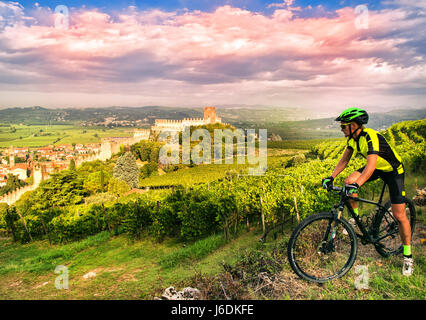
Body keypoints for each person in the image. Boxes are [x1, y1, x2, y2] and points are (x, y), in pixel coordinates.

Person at [321, 107, 413, 276]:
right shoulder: (352, 139)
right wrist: (331, 177)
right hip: (378, 168)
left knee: (399, 216)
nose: (341, 130)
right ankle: (355, 219)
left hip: (393, 171)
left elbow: (370, 166)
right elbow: (344, 160)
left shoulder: (370, 136)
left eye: (344, 127)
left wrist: (359, 184)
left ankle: (408, 256)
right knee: (348, 181)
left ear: (354, 125)